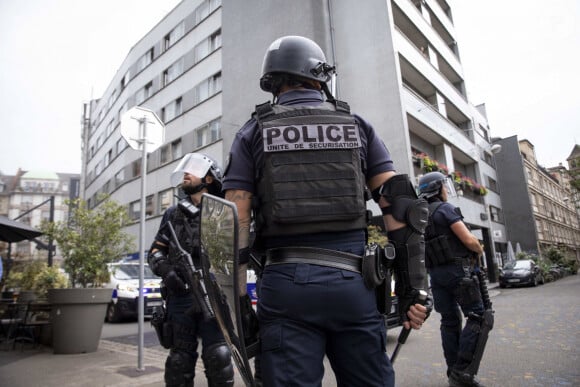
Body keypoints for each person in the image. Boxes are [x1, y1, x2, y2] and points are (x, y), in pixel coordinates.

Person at [222, 35, 430, 387]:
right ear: (320, 77)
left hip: (285, 286)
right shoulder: (357, 125)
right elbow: (398, 203)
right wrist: (414, 288)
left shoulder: (252, 131)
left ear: (273, 81)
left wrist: (237, 302)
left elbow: (234, 220)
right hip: (355, 281)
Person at [148, 153, 234, 387]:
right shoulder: (172, 214)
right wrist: (167, 271)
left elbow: (236, 254)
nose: (186, 173)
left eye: (194, 170)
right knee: (179, 361)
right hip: (180, 297)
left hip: (214, 295)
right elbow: (155, 251)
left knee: (219, 357)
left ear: (208, 179)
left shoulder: (222, 211)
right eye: (186, 170)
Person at [418, 171, 489, 387]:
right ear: (438, 188)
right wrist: (478, 248)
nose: (447, 190)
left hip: (436, 275)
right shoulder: (445, 209)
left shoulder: (420, 214)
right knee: (477, 316)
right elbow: (468, 239)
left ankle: (453, 373)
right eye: (444, 186)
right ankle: (461, 372)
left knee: (449, 322)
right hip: (458, 271)